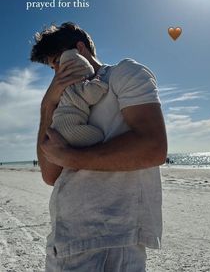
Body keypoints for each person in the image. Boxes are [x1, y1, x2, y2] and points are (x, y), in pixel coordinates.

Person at [30, 22, 167, 272]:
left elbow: (153, 147)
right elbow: (50, 175)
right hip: (67, 235)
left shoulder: (124, 74)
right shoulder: (64, 99)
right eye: (53, 69)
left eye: (57, 62)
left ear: (80, 49)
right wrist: (48, 103)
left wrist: (71, 157)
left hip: (114, 237)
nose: (57, 74)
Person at [51, 48, 108, 147]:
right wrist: (98, 83)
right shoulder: (79, 84)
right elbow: (92, 96)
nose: (56, 69)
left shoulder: (63, 89)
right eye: (52, 67)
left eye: (58, 61)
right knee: (100, 138)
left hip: (57, 125)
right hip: (69, 127)